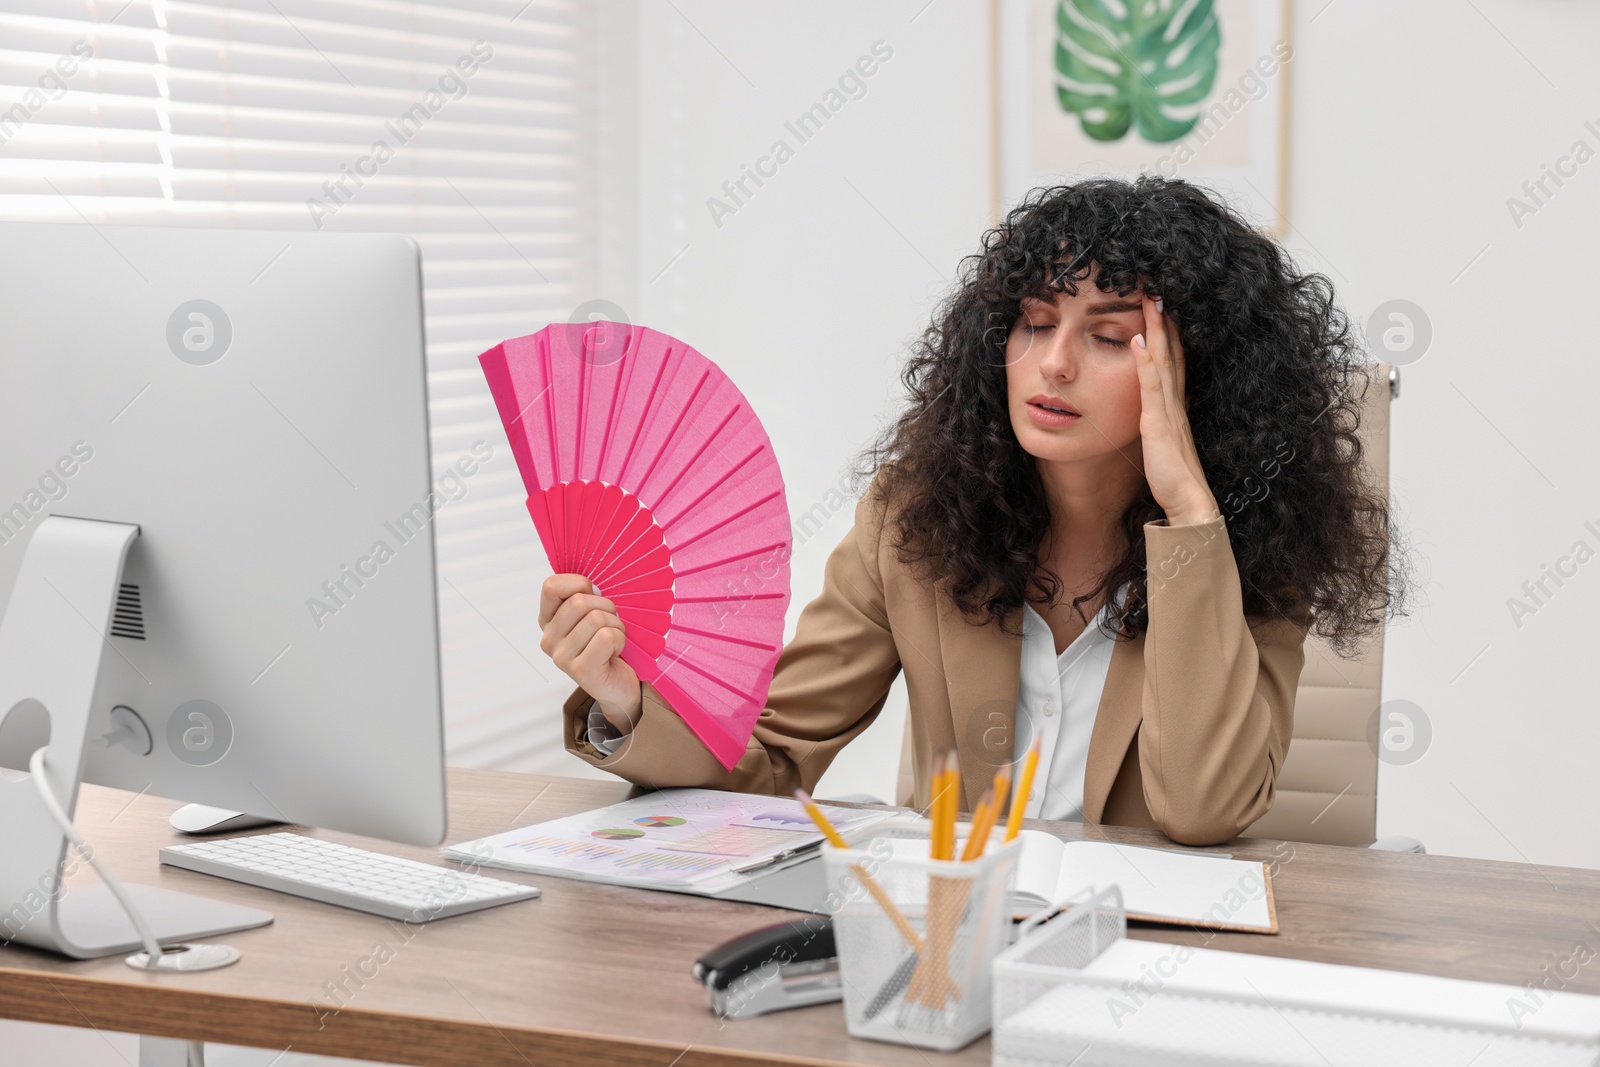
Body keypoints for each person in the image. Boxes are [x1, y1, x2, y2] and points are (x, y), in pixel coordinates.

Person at [537, 176, 1401, 846]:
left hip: (1144, 966)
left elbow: (1205, 811)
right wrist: (624, 697)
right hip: (945, 944)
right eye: (1031, 324)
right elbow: (775, 756)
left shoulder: (1246, 543)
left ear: (1196, 377)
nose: (1052, 364)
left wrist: (1186, 515)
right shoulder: (915, 517)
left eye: (1107, 338)